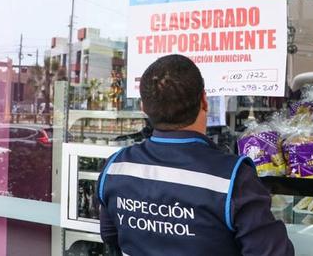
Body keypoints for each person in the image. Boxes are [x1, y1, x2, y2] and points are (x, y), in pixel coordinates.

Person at [97, 54, 294, 256]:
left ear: (143, 108)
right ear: (204, 101)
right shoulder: (234, 178)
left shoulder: (115, 166)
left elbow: (110, 236)